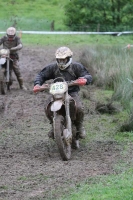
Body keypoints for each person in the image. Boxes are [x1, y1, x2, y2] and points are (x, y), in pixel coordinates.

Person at [33, 46, 92, 143]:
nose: (61, 62)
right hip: (56, 93)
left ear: (68, 58)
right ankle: (54, 125)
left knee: (79, 108)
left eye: (63, 60)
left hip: (71, 92)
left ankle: (79, 126)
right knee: (47, 107)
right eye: (59, 60)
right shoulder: (52, 67)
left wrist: (84, 79)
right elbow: (41, 75)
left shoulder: (76, 66)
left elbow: (87, 75)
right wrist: (37, 84)